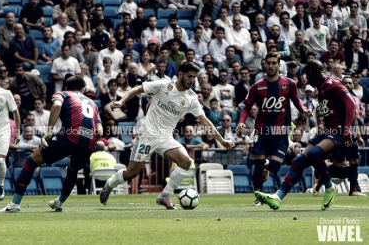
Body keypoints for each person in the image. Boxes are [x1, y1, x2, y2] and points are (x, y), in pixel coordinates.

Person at [99, 62, 234, 209]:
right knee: (131, 173)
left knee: (186, 162)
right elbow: (139, 88)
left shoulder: (191, 99)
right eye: (189, 76)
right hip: (147, 135)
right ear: (181, 74)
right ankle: (110, 184)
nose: (191, 80)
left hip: (165, 138)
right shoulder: (163, 85)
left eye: (194, 77)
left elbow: (206, 122)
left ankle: (164, 196)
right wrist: (121, 101)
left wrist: (222, 140)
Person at [255, 60, 358, 211]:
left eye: (306, 76)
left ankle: (330, 187)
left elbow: (350, 103)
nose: (306, 81)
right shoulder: (321, 89)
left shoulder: (331, 83)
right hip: (328, 133)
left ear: (311, 73)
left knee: (315, 154)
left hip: (339, 132)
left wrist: (348, 130)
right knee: (298, 162)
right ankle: (277, 197)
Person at [0, 76, 102, 213]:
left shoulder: (63, 94)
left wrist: (49, 131)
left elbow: (57, 105)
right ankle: (59, 203)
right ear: (83, 90)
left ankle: (14, 205)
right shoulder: (93, 103)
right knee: (72, 169)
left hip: (69, 136)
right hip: (88, 142)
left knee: (30, 161)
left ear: (66, 87)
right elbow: (99, 130)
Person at [236, 52, 312, 206]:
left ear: (279, 65)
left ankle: (268, 167)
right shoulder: (257, 86)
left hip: (281, 132)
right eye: (268, 63)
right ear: (264, 64)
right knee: (258, 165)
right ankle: (258, 197)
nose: (270, 66)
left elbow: (296, 100)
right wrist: (241, 122)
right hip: (262, 132)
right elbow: (247, 107)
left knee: (276, 167)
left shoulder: (289, 83)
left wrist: (303, 110)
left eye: (273, 63)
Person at [0, 68, 20, 202]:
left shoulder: (6, 93)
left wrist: (17, 132)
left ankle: (0, 185)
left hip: (3, 132)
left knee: (0, 161)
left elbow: (16, 113)